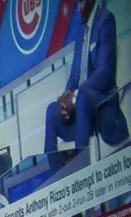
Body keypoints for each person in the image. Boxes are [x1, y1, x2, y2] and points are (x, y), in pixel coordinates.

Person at [43, 0, 126, 158]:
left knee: (83, 94)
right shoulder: (81, 32)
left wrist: (74, 98)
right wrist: (65, 98)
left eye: (81, 2)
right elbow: (75, 76)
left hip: (102, 104)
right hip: (81, 110)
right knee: (52, 110)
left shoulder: (106, 20)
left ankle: (83, 171)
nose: (77, 8)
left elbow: (104, 73)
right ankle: (54, 178)